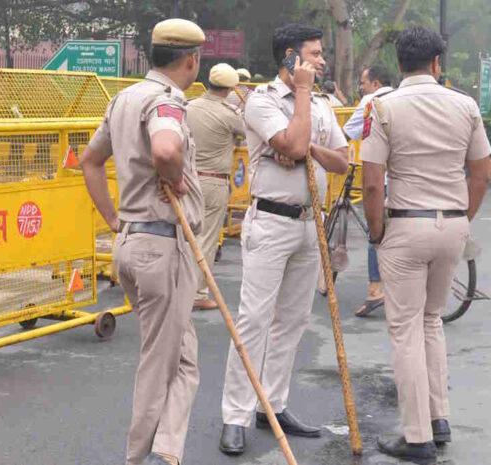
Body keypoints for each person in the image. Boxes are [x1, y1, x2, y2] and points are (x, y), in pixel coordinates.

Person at [361, 26, 490, 463]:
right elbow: (480, 171)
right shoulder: (466, 105)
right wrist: (460, 217)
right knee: (431, 320)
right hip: (451, 227)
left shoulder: (383, 107)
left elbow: (373, 182)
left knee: (405, 330)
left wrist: (377, 233)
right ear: (438, 64)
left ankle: (417, 438)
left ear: (399, 64)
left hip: (404, 227)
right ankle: (439, 420)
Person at [218, 23, 349, 456]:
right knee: (254, 320)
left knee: (291, 321)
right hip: (271, 221)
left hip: (311, 223)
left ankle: (272, 403)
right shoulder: (262, 100)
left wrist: (306, 148)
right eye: (314, 54)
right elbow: (292, 145)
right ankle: (234, 415)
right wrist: (302, 134)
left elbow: (340, 162)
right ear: (290, 58)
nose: (322, 61)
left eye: (321, 53)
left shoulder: (324, 105)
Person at [80, 18, 204, 465]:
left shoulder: (124, 99)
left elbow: (89, 161)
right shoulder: (167, 101)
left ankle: (167, 451)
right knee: (160, 361)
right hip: (162, 246)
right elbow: (167, 151)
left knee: (184, 358)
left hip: (133, 243)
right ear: (191, 59)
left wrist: (113, 218)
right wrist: (175, 178)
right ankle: (139, 456)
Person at [187, 63, 245, 310]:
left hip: (187, 179)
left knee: (185, 237)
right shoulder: (229, 113)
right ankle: (198, 294)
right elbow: (245, 132)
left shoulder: (188, 106)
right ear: (231, 88)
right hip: (214, 182)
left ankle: (177, 288)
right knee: (207, 239)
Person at [343, 65, 394, 317]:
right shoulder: (401, 99)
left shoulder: (370, 101)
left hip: (379, 178)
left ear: (374, 83)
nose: (361, 87)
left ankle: (375, 289)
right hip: (404, 181)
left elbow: (347, 133)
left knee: (376, 230)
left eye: (363, 82)